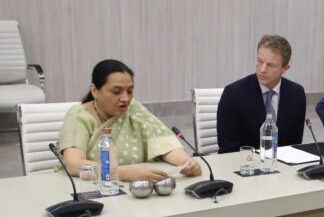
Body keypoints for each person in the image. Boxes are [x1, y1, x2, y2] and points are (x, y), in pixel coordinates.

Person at [57, 59, 201, 182]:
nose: (125, 98)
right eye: (116, 92)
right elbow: (74, 165)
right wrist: (124, 174)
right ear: (95, 91)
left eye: (130, 91)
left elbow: (163, 145)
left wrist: (187, 163)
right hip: (93, 188)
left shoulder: (134, 109)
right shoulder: (79, 116)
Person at [216, 34, 306, 153]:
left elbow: (295, 145)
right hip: (244, 162)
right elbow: (228, 149)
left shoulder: (297, 94)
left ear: (285, 68)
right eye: (260, 61)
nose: (262, 69)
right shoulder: (233, 94)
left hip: (282, 162)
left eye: (271, 65)